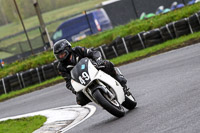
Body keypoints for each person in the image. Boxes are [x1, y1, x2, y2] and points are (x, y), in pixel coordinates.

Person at [53, 39, 128, 106]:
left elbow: (93, 53)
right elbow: (68, 81)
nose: (61, 56)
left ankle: (118, 77)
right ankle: (97, 98)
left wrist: (98, 60)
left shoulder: (78, 50)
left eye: (62, 54)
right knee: (80, 101)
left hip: (94, 67)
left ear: (68, 49)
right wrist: (74, 89)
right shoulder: (61, 67)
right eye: (59, 55)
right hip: (82, 80)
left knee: (107, 64)